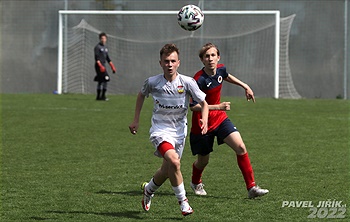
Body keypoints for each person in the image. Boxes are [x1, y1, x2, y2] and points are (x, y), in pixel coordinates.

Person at [129, 43, 209, 216]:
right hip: (160, 130)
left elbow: (204, 103)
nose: (170, 64)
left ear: (178, 62)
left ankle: (148, 190)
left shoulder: (187, 82)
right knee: (174, 161)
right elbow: (141, 94)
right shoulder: (153, 82)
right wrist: (136, 120)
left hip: (179, 132)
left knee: (167, 170)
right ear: (160, 63)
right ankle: (183, 202)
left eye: (173, 61)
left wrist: (204, 119)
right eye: (166, 61)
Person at [189, 43, 269, 199]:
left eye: (213, 55)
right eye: (207, 56)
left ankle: (251, 187)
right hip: (202, 124)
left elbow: (226, 76)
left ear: (218, 57)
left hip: (219, 119)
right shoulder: (198, 80)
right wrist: (218, 106)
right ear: (202, 60)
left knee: (240, 146)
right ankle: (195, 181)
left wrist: (245, 86)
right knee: (203, 161)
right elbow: (193, 107)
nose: (210, 59)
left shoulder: (220, 69)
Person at [94, 32, 116, 101]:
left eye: (104, 38)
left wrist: (112, 66)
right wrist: (100, 66)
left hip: (103, 65)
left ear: (106, 39)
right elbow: (97, 58)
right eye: (102, 38)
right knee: (106, 79)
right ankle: (102, 96)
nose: (103, 39)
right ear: (100, 39)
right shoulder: (97, 47)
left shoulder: (105, 48)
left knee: (101, 81)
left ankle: (99, 97)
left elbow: (108, 58)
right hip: (99, 66)